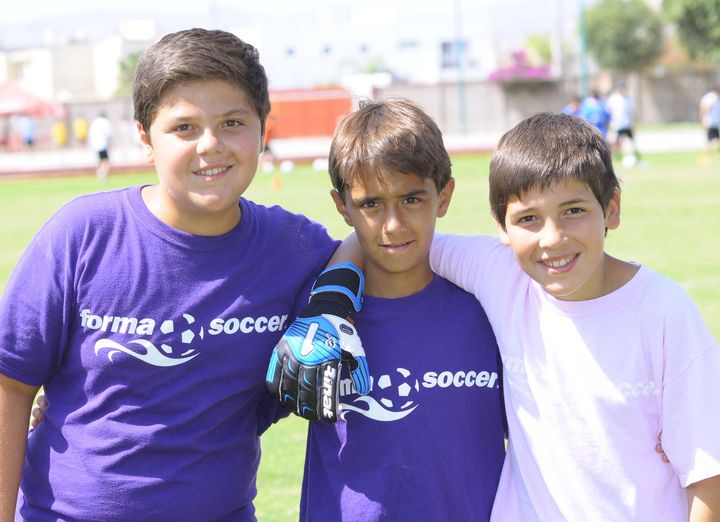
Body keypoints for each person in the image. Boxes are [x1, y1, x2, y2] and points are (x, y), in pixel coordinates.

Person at [0, 28, 364, 521]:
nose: (210, 145)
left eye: (232, 122)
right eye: (184, 127)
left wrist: (332, 300)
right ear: (145, 138)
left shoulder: (293, 248)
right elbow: (10, 385)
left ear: (263, 128)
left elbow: (367, 243)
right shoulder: (83, 234)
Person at [428, 113, 720, 520]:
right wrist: (338, 291)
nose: (552, 238)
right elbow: (395, 242)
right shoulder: (499, 274)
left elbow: (707, 477)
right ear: (502, 227)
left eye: (573, 210)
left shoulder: (664, 312)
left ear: (611, 208)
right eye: (528, 218)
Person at [299, 99, 506, 521]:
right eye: (371, 204)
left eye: (411, 199)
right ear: (342, 206)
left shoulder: (492, 310)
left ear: (444, 195)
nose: (393, 225)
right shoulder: (315, 317)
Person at [605, 83, 643, 167]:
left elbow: (632, 113)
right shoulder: (613, 99)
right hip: (617, 125)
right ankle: (617, 158)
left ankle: (636, 157)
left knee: (632, 142)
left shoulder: (629, 99)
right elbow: (608, 111)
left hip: (627, 124)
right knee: (617, 143)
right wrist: (609, 124)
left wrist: (633, 124)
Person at [88, 111, 112, 178]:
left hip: (95, 144)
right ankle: (102, 174)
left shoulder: (94, 122)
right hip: (103, 144)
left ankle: (100, 173)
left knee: (100, 160)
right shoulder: (105, 122)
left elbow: (90, 133)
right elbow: (109, 134)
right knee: (105, 161)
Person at [699, 86, 720, 165]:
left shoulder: (712, 97)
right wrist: (704, 120)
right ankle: (707, 158)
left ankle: (707, 157)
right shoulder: (712, 98)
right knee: (712, 141)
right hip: (710, 122)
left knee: (713, 140)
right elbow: (705, 109)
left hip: (713, 122)